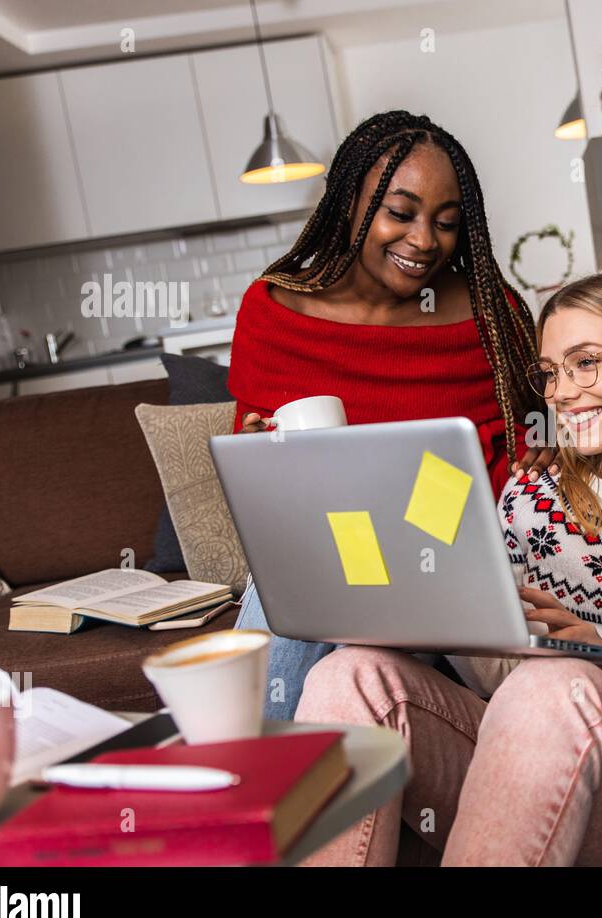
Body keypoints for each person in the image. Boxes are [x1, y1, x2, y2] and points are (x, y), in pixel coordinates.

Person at [294, 271, 602, 865]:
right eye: (550, 373)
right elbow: (501, 687)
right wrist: (440, 613)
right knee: (349, 675)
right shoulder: (529, 499)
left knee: (554, 685)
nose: (563, 392)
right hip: (533, 770)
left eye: (586, 362)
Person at [225, 111, 555, 719]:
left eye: (447, 223)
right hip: (324, 544)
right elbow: (252, 462)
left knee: (350, 584)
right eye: (400, 214)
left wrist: (544, 441)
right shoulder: (274, 311)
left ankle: (263, 774)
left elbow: (541, 423)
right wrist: (258, 455)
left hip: (449, 543)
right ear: (349, 202)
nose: (425, 241)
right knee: (324, 570)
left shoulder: (489, 310)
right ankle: (268, 770)